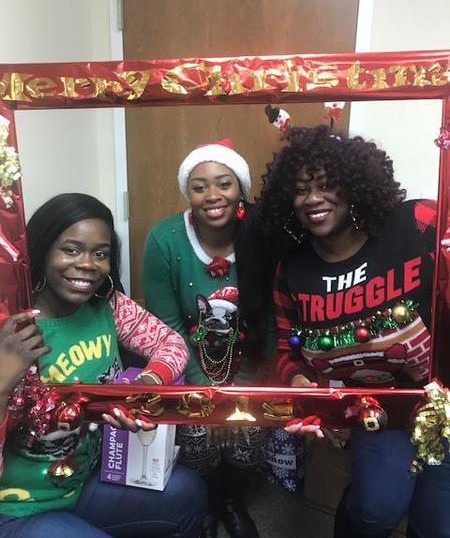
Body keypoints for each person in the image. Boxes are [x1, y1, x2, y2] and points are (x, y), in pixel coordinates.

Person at [257, 124, 449, 538]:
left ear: (356, 185)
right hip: (376, 410)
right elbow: (288, 348)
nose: (313, 199)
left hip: (446, 401)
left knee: (439, 524)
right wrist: (301, 383)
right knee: (376, 510)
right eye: (301, 189)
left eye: (327, 185)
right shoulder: (292, 270)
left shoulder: (418, 223)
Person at [0, 193, 206, 537]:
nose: (88, 264)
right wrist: (3, 384)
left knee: (189, 494)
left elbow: (170, 343)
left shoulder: (107, 305)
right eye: (70, 249)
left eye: (100, 253)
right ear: (42, 249)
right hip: (17, 508)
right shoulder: (12, 328)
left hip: (81, 484)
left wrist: (145, 384)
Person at [143, 139, 271, 538]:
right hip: (189, 368)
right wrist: (207, 398)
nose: (212, 196)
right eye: (199, 187)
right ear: (189, 193)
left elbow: (269, 323)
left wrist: (235, 398)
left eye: (224, 184)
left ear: (240, 190)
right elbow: (166, 325)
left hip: (247, 369)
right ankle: (204, 502)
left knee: (246, 440)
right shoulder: (164, 239)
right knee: (197, 442)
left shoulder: (262, 235)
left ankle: (230, 500)